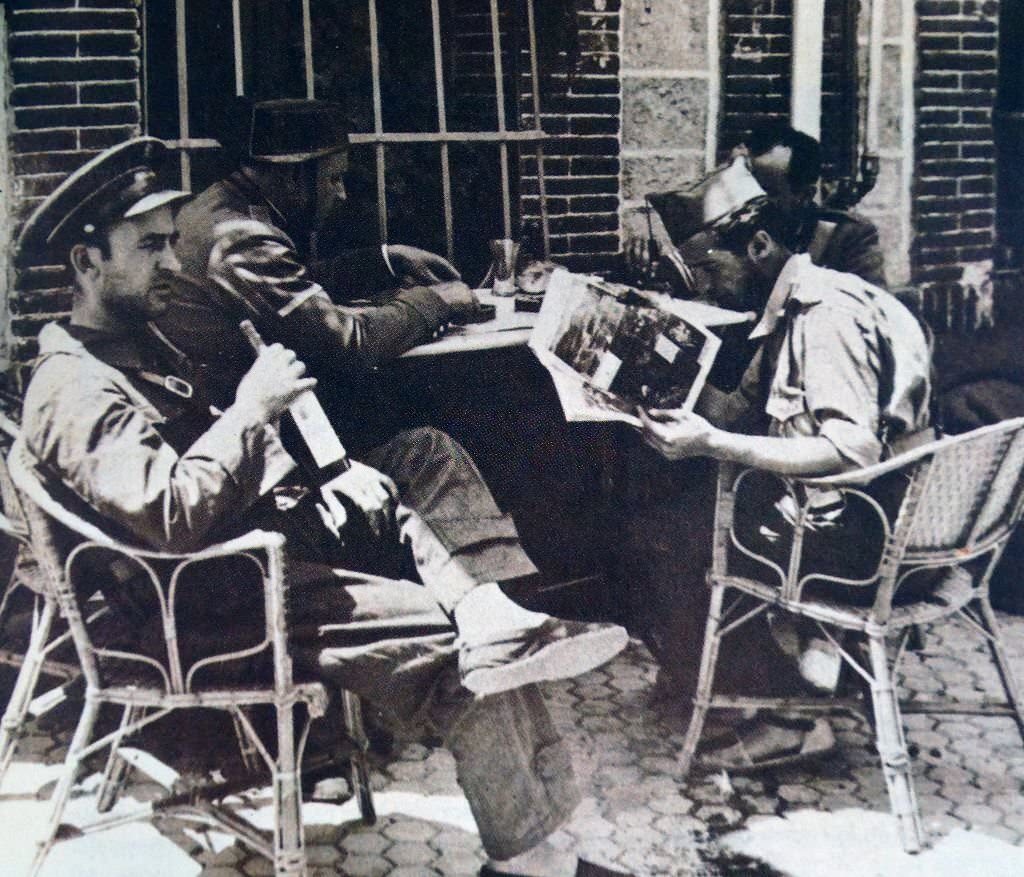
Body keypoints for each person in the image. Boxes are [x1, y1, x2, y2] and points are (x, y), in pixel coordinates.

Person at [15, 137, 631, 877]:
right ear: (86, 264)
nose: (172, 265)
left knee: (418, 460)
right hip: (208, 599)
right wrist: (252, 408)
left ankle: (489, 613)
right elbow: (170, 515)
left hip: (252, 549)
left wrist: (324, 481)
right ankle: (534, 856)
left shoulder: (136, 342)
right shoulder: (72, 385)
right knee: (445, 641)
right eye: (149, 248)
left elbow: (232, 454)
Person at [635, 162, 932, 767]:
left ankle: (787, 713)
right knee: (665, 515)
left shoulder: (824, 317)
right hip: (856, 518)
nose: (704, 291)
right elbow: (737, 408)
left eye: (707, 270)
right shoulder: (786, 306)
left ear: (760, 245)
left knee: (670, 535)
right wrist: (644, 372)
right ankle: (728, 683)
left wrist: (714, 446)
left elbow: (852, 450)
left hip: (869, 536)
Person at [156, 97, 482, 431]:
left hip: (225, 410)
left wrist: (386, 260)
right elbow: (351, 345)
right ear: (294, 175)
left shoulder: (223, 207)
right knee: (428, 442)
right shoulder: (241, 239)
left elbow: (291, 282)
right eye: (334, 179)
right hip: (235, 428)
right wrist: (436, 301)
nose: (341, 194)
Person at [739, 121, 888, 289]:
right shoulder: (737, 228)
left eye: (769, 192)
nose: (751, 200)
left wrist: (786, 270)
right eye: (746, 188)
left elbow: (870, 307)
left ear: (805, 195)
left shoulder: (846, 237)